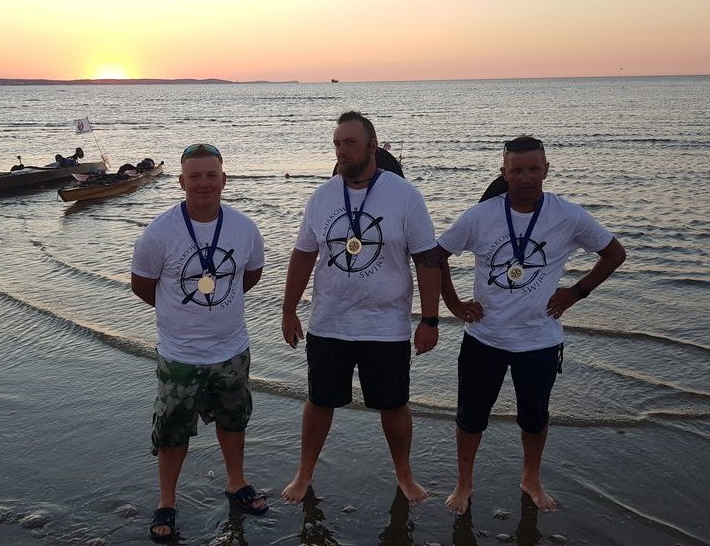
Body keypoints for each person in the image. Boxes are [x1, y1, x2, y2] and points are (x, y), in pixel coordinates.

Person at [436, 135, 626, 514]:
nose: (526, 177)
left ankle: (531, 479)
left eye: (533, 169)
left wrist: (576, 292)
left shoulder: (567, 215)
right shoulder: (480, 216)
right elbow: (436, 256)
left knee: (535, 419)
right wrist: (453, 304)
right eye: (517, 170)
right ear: (504, 172)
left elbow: (614, 253)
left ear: (546, 170)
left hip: (539, 340)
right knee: (470, 418)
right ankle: (464, 484)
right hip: (485, 338)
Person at [281, 111, 442, 505]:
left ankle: (404, 474)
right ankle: (304, 473)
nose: (342, 150)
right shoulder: (322, 196)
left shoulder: (405, 196)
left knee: (394, 406)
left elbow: (427, 261)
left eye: (350, 142)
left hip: (386, 326)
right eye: (337, 143)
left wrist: (430, 319)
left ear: (372, 146)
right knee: (319, 402)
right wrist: (288, 309)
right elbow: (303, 256)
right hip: (329, 322)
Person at [131, 143, 268, 542]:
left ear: (224, 179)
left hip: (232, 349)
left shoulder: (245, 228)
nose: (203, 183)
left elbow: (249, 276)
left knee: (234, 420)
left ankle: (237, 482)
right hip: (180, 354)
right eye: (195, 176)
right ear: (181, 181)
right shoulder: (159, 233)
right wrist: (184, 314)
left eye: (211, 175)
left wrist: (216, 308)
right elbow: (143, 286)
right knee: (172, 431)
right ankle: (167, 502)